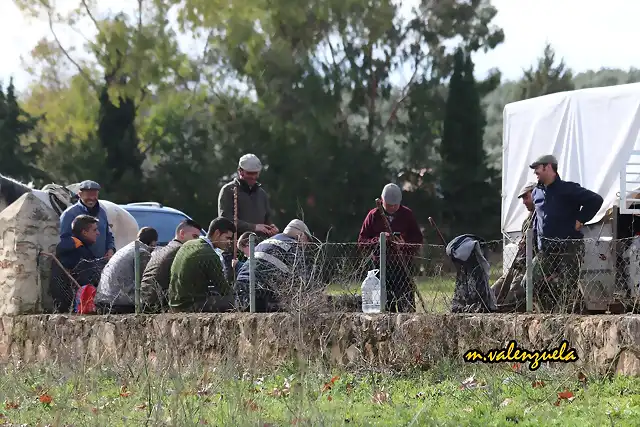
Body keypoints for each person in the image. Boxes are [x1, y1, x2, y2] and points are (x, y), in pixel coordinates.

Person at [529, 154, 604, 312]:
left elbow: (596, 200)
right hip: (546, 250)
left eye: (537, 168)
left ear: (548, 167)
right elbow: (538, 219)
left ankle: (564, 316)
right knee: (528, 283)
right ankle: (548, 315)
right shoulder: (536, 192)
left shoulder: (568, 189)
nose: (535, 172)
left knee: (565, 287)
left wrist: (581, 219)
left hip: (568, 248)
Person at [357, 183, 424, 312]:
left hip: (403, 268)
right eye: (389, 204)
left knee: (407, 308)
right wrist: (380, 240)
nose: (393, 207)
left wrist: (404, 245)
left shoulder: (407, 215)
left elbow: (417, 239)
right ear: (382, 201)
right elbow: (362, 242)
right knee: (385, 309)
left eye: (395, 204)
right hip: (379, 270)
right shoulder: (373, 215)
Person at [218, 154, 279, 280]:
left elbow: (267, 219)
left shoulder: (262, 194)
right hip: (234, 251)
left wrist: (271, 228)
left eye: (255, 173)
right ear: (240, 171)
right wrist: (254, 227)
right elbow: (226, 220)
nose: (253, 177)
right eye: (249, 173)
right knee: (234, 286)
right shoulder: (228, 190)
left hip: (257, 252)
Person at [235, 219, 313, 312]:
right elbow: (303, 280)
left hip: (240, 288)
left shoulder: (267, 241)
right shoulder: (293, 247)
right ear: (300, 235)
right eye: (307, 240)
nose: (307, 245)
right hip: (261, 293)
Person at [168, 217, 236, 312]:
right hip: (190, 305)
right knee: (233, 301)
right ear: (217, 233)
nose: (229, 242)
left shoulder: (188, 244)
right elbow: (223, 289)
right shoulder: (210, 254)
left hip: (174, 303)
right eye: (227, 238)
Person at [491, 182, 537, 311]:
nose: (524, 202)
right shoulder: (527, 220)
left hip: (530, 263)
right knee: (495, 290)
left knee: (514, 291)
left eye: (526, 197)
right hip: (518, 263)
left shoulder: (542, 217)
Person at [140, 219, 203, 312]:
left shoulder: (166, 248)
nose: (197, 241)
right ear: (182, 233)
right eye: (195, 236)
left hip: (145, 301)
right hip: (158, 304)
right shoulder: (182, 250)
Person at [94, 227, 158, 314]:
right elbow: (145, 281)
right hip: (118, 302)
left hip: (103, 299)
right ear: (153, 242)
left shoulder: (126, 249)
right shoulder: (142, 253)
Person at [49, 215, 107, 313]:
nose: (98, 233)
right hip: (73, 303)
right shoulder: (77, 250)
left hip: (63, 302)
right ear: (84, 232)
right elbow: (87, 278)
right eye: (94, 230)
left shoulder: (73, 246)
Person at [59, 180, 116, 260]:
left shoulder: (102, 212)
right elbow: (63, 240)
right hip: (80, 266)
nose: (92, 198)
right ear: (80, 195)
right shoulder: (69, 214)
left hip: (102, 264)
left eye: (94, 195)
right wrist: (80, 247)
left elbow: (109, 234)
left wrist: (110, 249)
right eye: (88, 196)